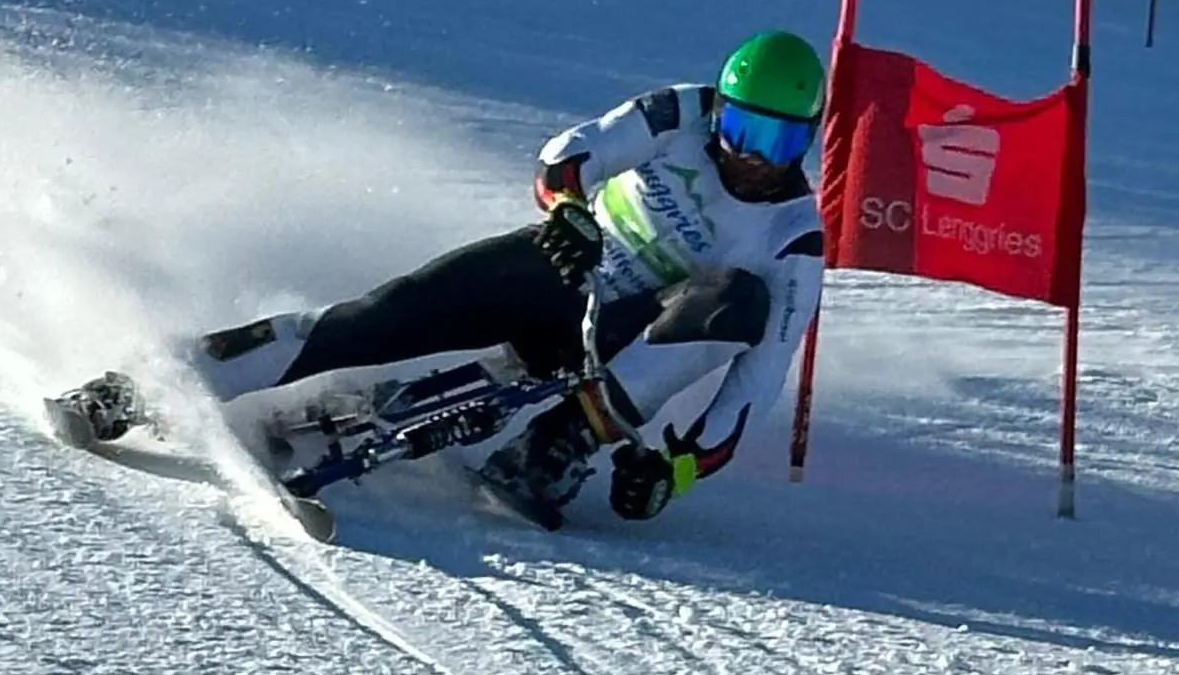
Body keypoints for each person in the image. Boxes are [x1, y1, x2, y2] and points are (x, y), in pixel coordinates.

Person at [62, 29, 827, 522]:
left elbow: (753, 389)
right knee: (375, 319)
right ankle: (139, 385)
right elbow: (570, 154)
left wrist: (674, 469)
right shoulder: (678, 115)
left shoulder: (794, 243)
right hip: (560, 270)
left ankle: (556, 447)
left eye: (778, 137)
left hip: (624, 340)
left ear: (809, 140)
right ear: (720, 110)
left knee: (740, 302)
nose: (752, 154)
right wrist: (566, 210)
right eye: (741, 127)